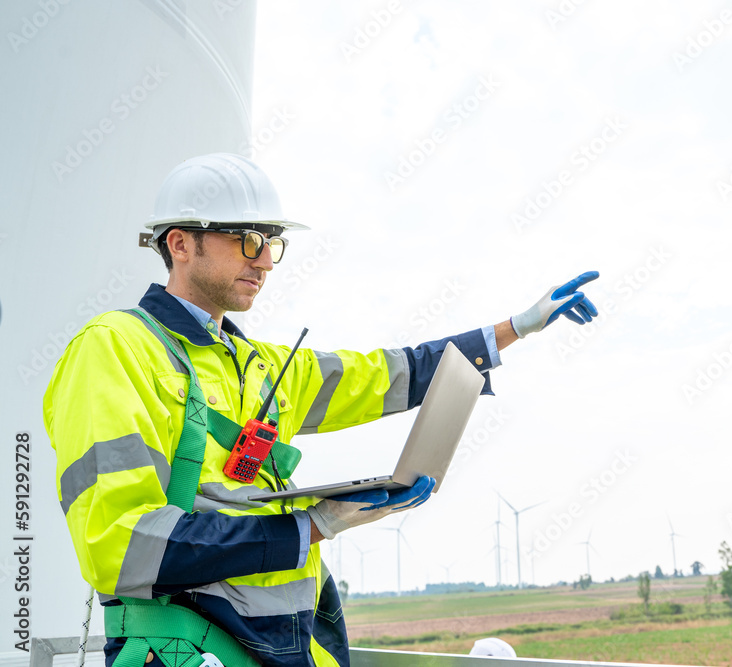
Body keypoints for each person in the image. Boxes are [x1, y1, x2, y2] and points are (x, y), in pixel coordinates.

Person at [44, 153, 599, 667]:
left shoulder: (255, 364)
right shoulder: (114, 349)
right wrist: (309, 526)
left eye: (272, 243)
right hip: (182, 647)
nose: (264, 260)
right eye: (247, 240)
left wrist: (514, 330)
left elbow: (383, 374)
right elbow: (121, 545)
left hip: (280, 644)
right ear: (181, 243)